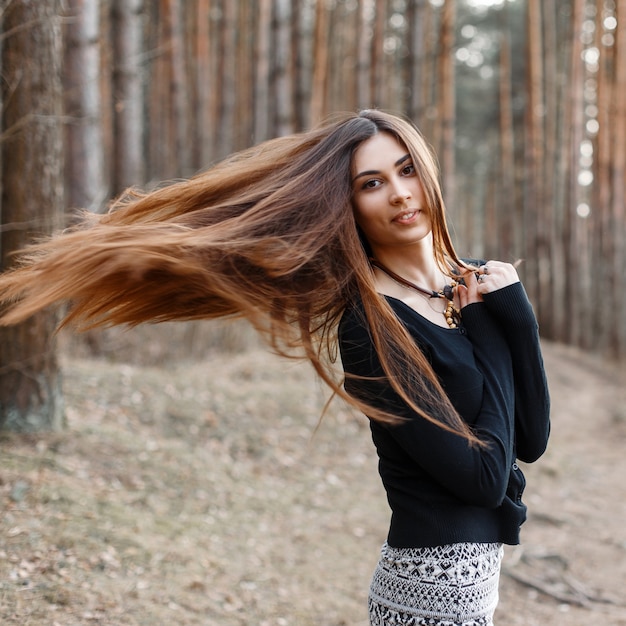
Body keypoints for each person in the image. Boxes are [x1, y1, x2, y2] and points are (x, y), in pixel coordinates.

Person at [0, 109, 550, 625]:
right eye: (372, 183)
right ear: (349, 204)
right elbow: (481, 480)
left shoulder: (472, 285)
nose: (400, 193)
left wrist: (517, 323)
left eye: (406, 170)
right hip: (429, 595)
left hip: (475, 588)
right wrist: (487, 330)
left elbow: (529, 438)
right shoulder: (373, 326)